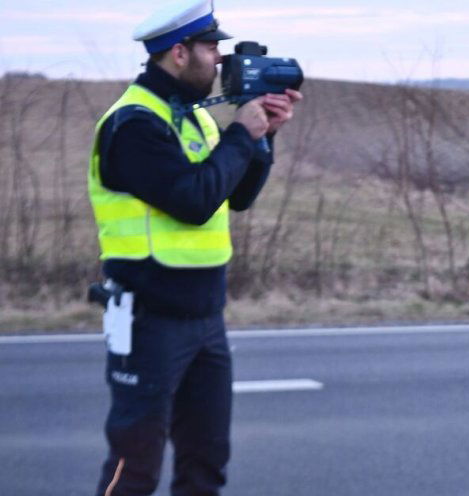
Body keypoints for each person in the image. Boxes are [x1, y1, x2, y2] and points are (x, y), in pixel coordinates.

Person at [86, 1, 302, 494]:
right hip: (149, 321)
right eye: (212, 47)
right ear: (179, 53)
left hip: (205, 317)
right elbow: (194, 201)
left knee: (206, 462)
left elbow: (238, 195)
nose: (222, 60)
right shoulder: (134, 124)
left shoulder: (197, 119)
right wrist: (241, 133)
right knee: (133, 464)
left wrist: (263, 137)